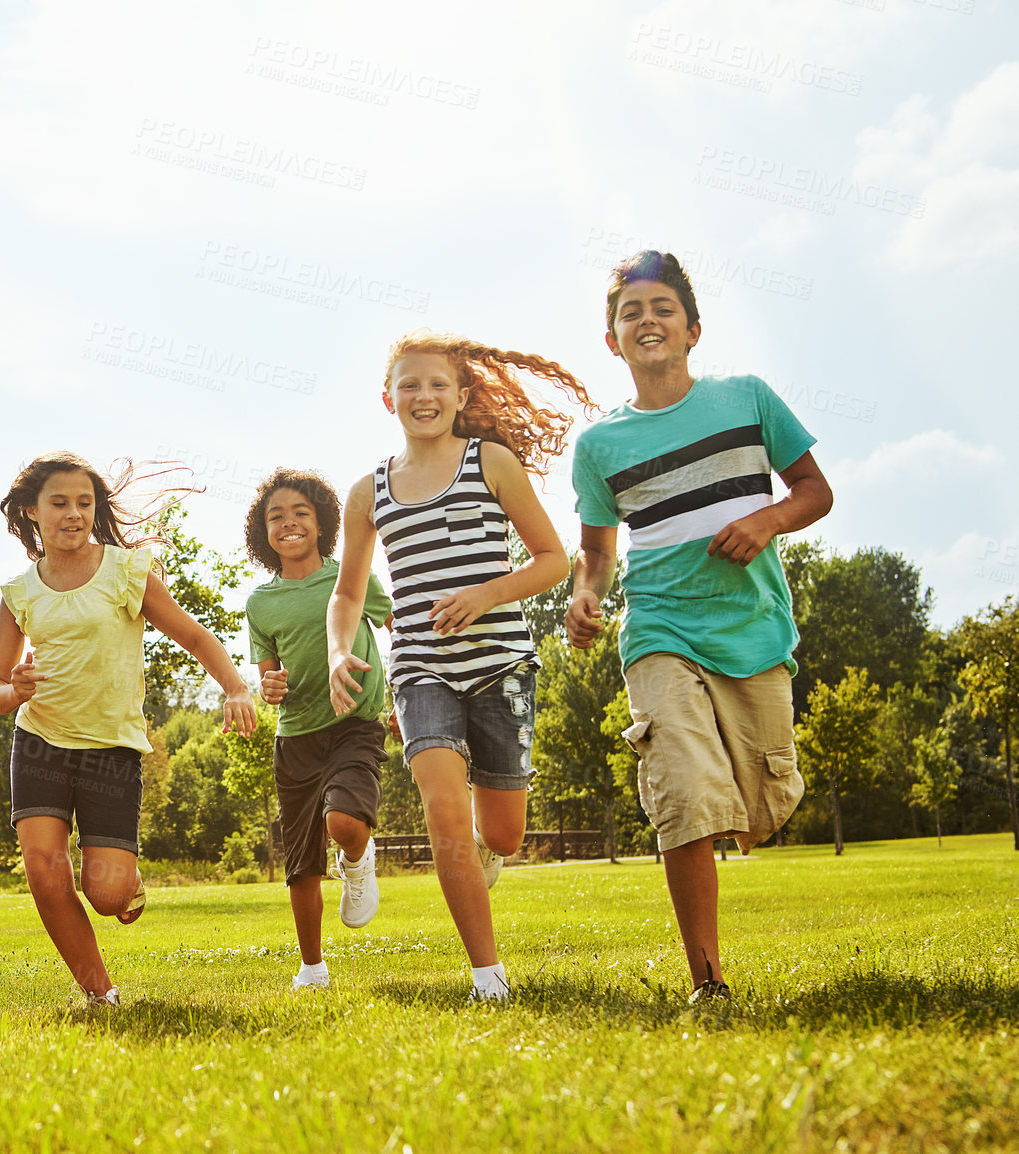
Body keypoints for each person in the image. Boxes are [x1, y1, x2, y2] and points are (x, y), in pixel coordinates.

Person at [567, 250, 832, 1004]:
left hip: (750, 626)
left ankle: (751, 809)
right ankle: (706, 980)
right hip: (657, 626)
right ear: (612, 340)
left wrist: (768, 519)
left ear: (693, 329)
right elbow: (595, 553)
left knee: (762, 803)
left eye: (662, 309)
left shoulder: (746, 398)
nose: (647, 321)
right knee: (681, 789)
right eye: (630, 313)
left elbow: (815, 491)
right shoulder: (600, 446)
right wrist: (587, 596)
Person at [328, 330, 588, 1003]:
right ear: (387, 398)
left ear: (462, 394)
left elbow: (554, 560)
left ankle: (489, 848)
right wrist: (338, 650)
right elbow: (348, 593)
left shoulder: (491, 463)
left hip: (501, 664)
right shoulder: (369, 492)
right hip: (420, 669)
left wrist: (484, 595)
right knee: (443, 811)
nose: (424, 395)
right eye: (409, 384)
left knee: (500, 830)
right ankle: (487, 976)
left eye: (438, 383)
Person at [0, 451, 257, 1007]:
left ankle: (126, 883)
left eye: (84, 503)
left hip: (110, 748)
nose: (73, 514)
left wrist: (235, 687)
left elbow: (197, 636)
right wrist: (16, 690)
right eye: (58, 503)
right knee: (43, 868)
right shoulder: (18, 594)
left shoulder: (126, 571)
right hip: (39, 742)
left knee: (104, 893)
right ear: (32, 512)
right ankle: (99, 992)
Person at [243, 468, 394, 991]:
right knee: (301, 862)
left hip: (354, 721)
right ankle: (312, 966)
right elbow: (267, 672)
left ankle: (358, 857)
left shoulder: (348, 575)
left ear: (323, 521)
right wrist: (270, 687)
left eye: (301, 513)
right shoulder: (260, 603)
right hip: (296, 736)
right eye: (276, 516)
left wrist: (411, 688)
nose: (288, 523)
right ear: (262, 531)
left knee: (345, 824)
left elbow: (396, 626)